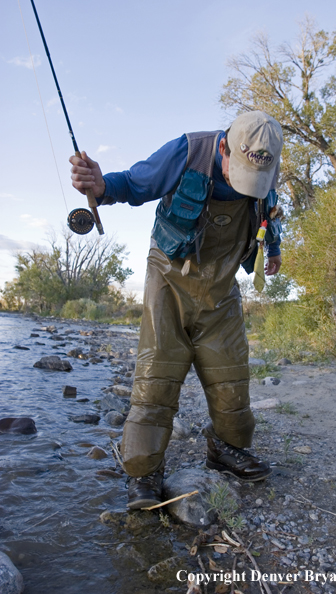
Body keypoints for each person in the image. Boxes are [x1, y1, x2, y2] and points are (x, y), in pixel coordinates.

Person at [70, 110, 283, 509]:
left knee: (231, 379)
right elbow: (133, 183)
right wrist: (101, 186)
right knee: (157, 377)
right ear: (224, 146)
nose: (247, 184)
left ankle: (225, 450)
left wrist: (273, 248)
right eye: (239, 170)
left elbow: (269, 212)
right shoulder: (189, 150)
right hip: (168, 278)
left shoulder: (266, 163)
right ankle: (144, 473)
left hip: (221, 289)